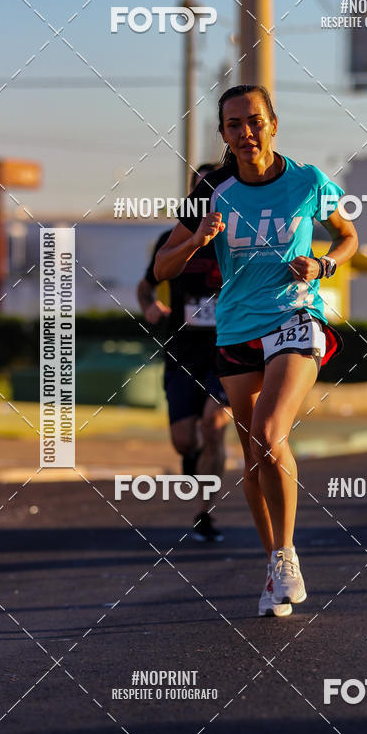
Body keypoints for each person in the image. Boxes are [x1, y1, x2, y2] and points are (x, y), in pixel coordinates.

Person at [154, 85, 358, 615]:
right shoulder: (212, 190)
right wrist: (198, 239)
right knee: (252, 456)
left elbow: (348, 235)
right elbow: (162, 269)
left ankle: (287, 555)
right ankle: (275, 566)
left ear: (273, 123)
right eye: (232, 125)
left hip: (295, 317)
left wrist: (324, 265)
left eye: (254, 120)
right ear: (223, 134)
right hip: (236, 330)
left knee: (270, 433)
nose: (245, 132)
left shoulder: (308, 181)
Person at [137, 163, 230, 543]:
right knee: (183, 441)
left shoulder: (241, 236)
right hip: (183, 349)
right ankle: (193, 464)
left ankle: (204, 514)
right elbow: (147, 286)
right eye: (202, 191)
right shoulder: (170, 239)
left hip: (229, 347)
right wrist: (149, 307)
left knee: (214, 425)